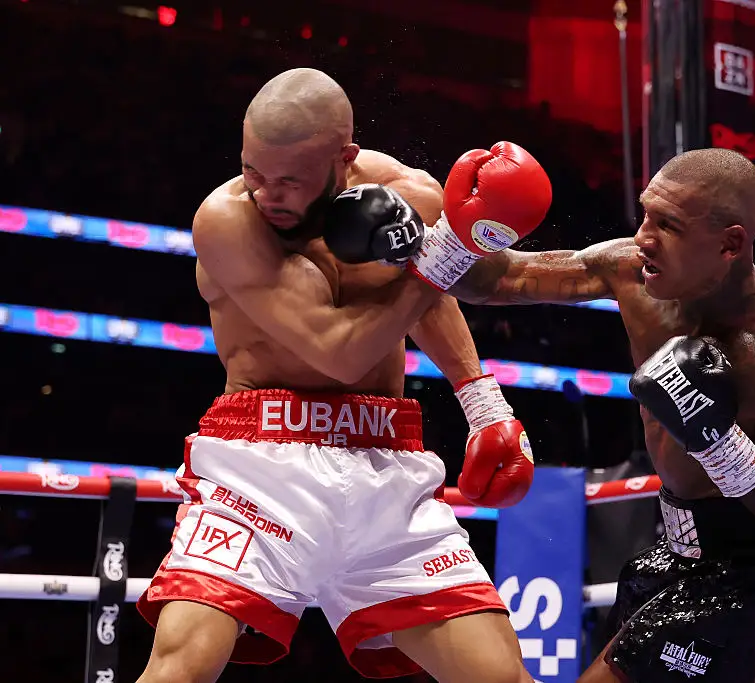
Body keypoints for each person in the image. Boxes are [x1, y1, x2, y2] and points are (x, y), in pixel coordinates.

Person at [135, 68, 551, 683]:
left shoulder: (409, 193)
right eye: (253, 172)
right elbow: (340, 351)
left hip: (386, 464)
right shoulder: (227, 221)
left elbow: (430, 300)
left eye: (289, 180)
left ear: (345, 158)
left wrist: (484, 405)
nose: (267, 194)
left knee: (501, 677)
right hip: (260, 465)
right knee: (183, 669)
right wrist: (441, 256)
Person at [448, 148, 755, 682]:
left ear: (731, 243)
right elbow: (495, 282)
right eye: (646, 213)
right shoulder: (632, 272)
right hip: (678, 555)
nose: (643, 237)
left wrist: (718, 441)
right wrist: (444, 236)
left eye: (668, 225)